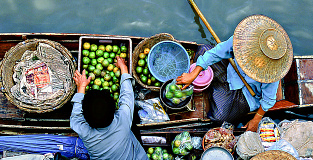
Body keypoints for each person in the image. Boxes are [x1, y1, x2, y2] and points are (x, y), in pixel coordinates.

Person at [176, 15, 293, 132]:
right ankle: (212, 86)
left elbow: (268, 100)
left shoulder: (272, 72)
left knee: (219, 118)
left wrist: (256, 120)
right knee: (203, 50)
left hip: (245, 95)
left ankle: (213, 87)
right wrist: (194, 73)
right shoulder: (245, 40)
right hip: (231, 68)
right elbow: (218, 52)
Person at [70, 56, 148, 160]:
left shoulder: (84, 132)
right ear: (114, 111)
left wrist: (82, 87)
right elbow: (127, 95)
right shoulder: (123, 121)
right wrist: (123, 68)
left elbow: (76, 116)